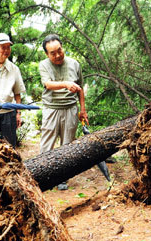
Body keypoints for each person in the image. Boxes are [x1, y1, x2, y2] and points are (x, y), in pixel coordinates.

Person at [38, 34, 89, 190]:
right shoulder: (44, 65)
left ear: (62, 47)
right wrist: (66, 84)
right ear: (47, 54)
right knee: (47, 144)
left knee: (67, 145)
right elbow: (48, 84)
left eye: (59, 50)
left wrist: (83, 110)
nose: (58, 55)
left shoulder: (74, 64)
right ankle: (42, 175)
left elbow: (80, 88)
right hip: (51, 108)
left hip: (70, 108)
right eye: (53, 53)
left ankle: (62, 177)